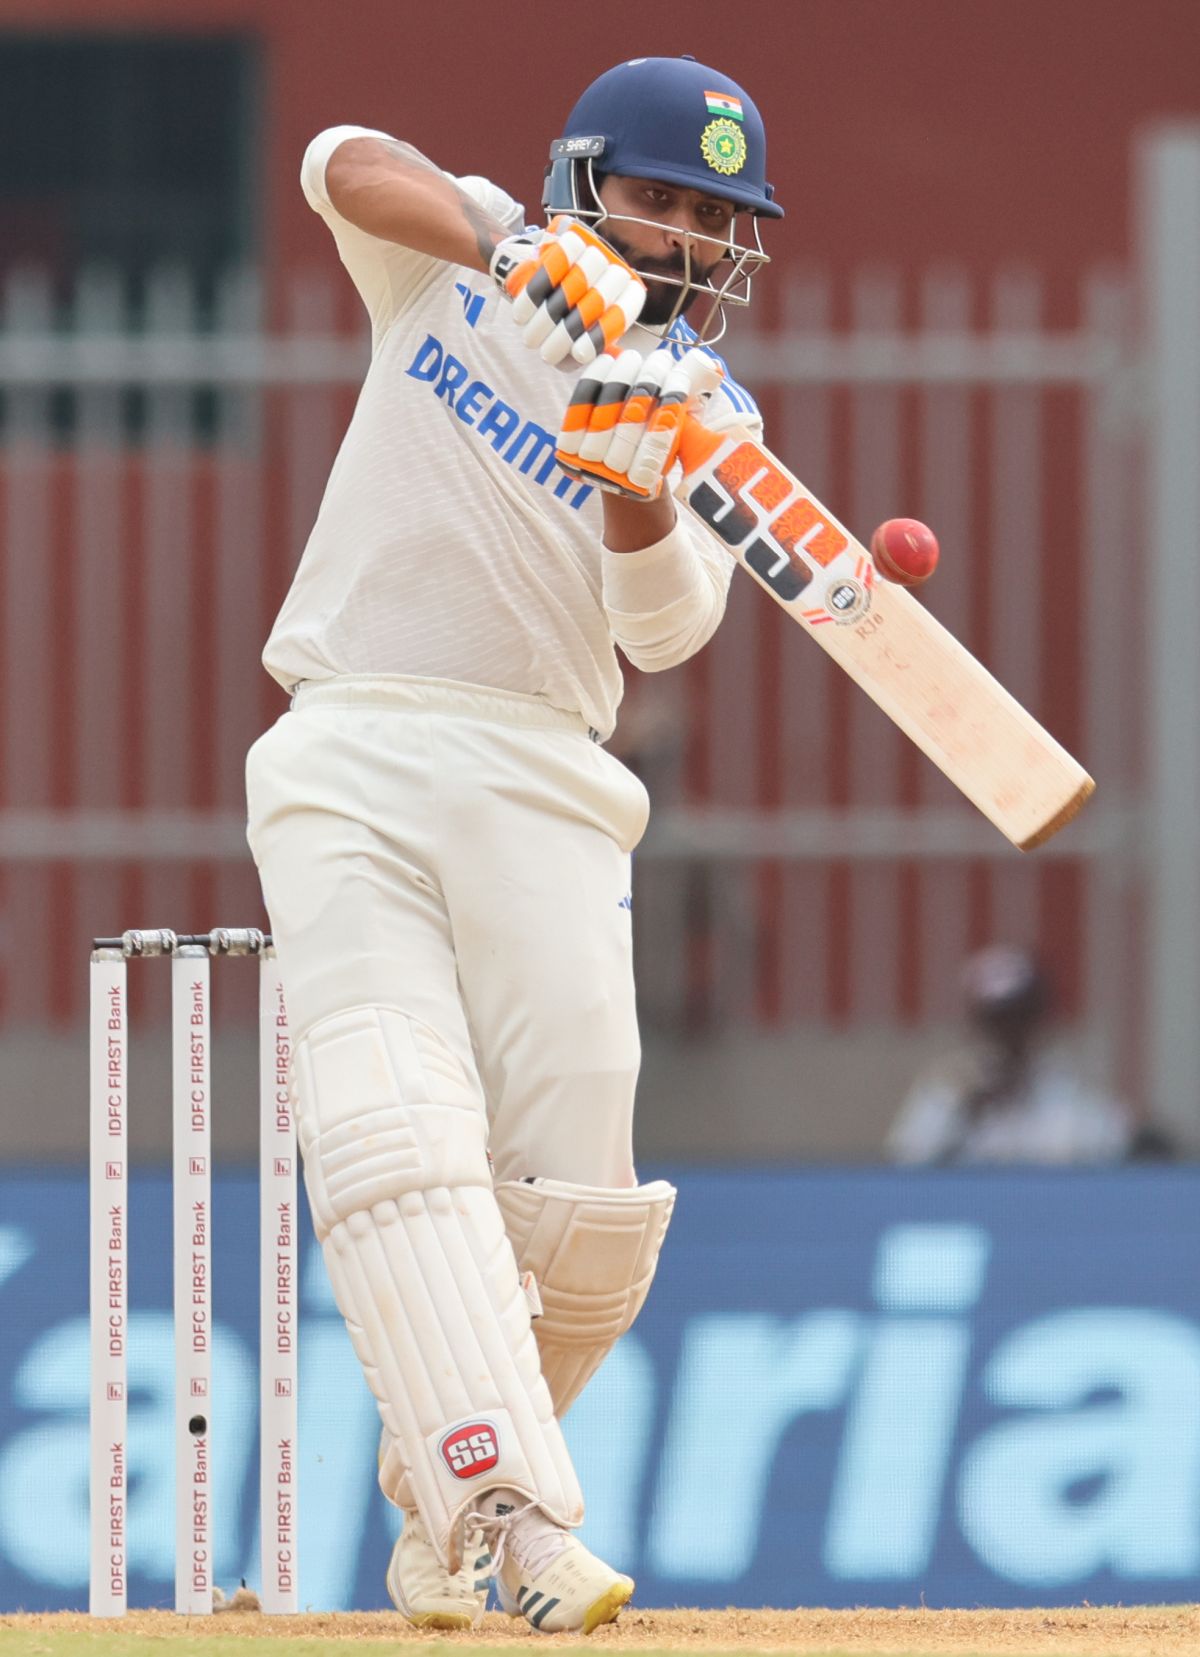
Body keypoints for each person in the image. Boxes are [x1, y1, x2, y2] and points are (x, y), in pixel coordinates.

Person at [244, 55, 782, 1633]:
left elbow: (666, 633)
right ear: (583, 181)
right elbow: (342, 158)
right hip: (350, 738)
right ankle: (512, 1518)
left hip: (547, 780)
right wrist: (502, 248)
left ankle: (429, 1497)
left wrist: (631, 481)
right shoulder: (463, 257)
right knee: (391, 1131)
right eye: (658, 198)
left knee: (589, 1226)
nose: (680, 235)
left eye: (711, 218)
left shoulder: (709, 411)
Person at [887, 945, 1135, 1166]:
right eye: (997, 1021)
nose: (1009, 1033)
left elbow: (1105, 1160)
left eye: (1020, 1017)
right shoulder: (947, 1089)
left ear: (1040, 1018)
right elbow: (905, 1167)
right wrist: (964, 1115)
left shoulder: (1074, 1089)